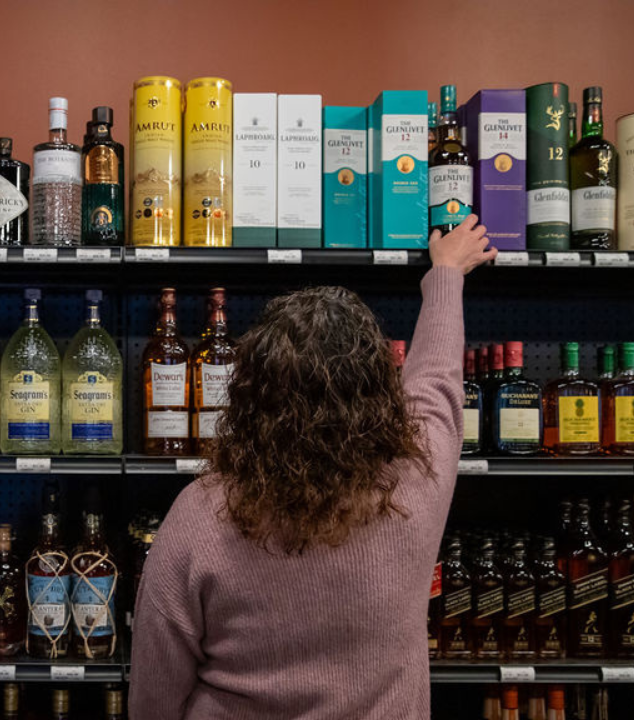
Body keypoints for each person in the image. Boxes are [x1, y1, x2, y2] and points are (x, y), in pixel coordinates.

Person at [129, 216, 497, 720]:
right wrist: (446, 274)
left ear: (248, 392)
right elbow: (436, 384)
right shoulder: (415, 484)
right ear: (380, 391)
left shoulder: (200, 513)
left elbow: (154, 696)